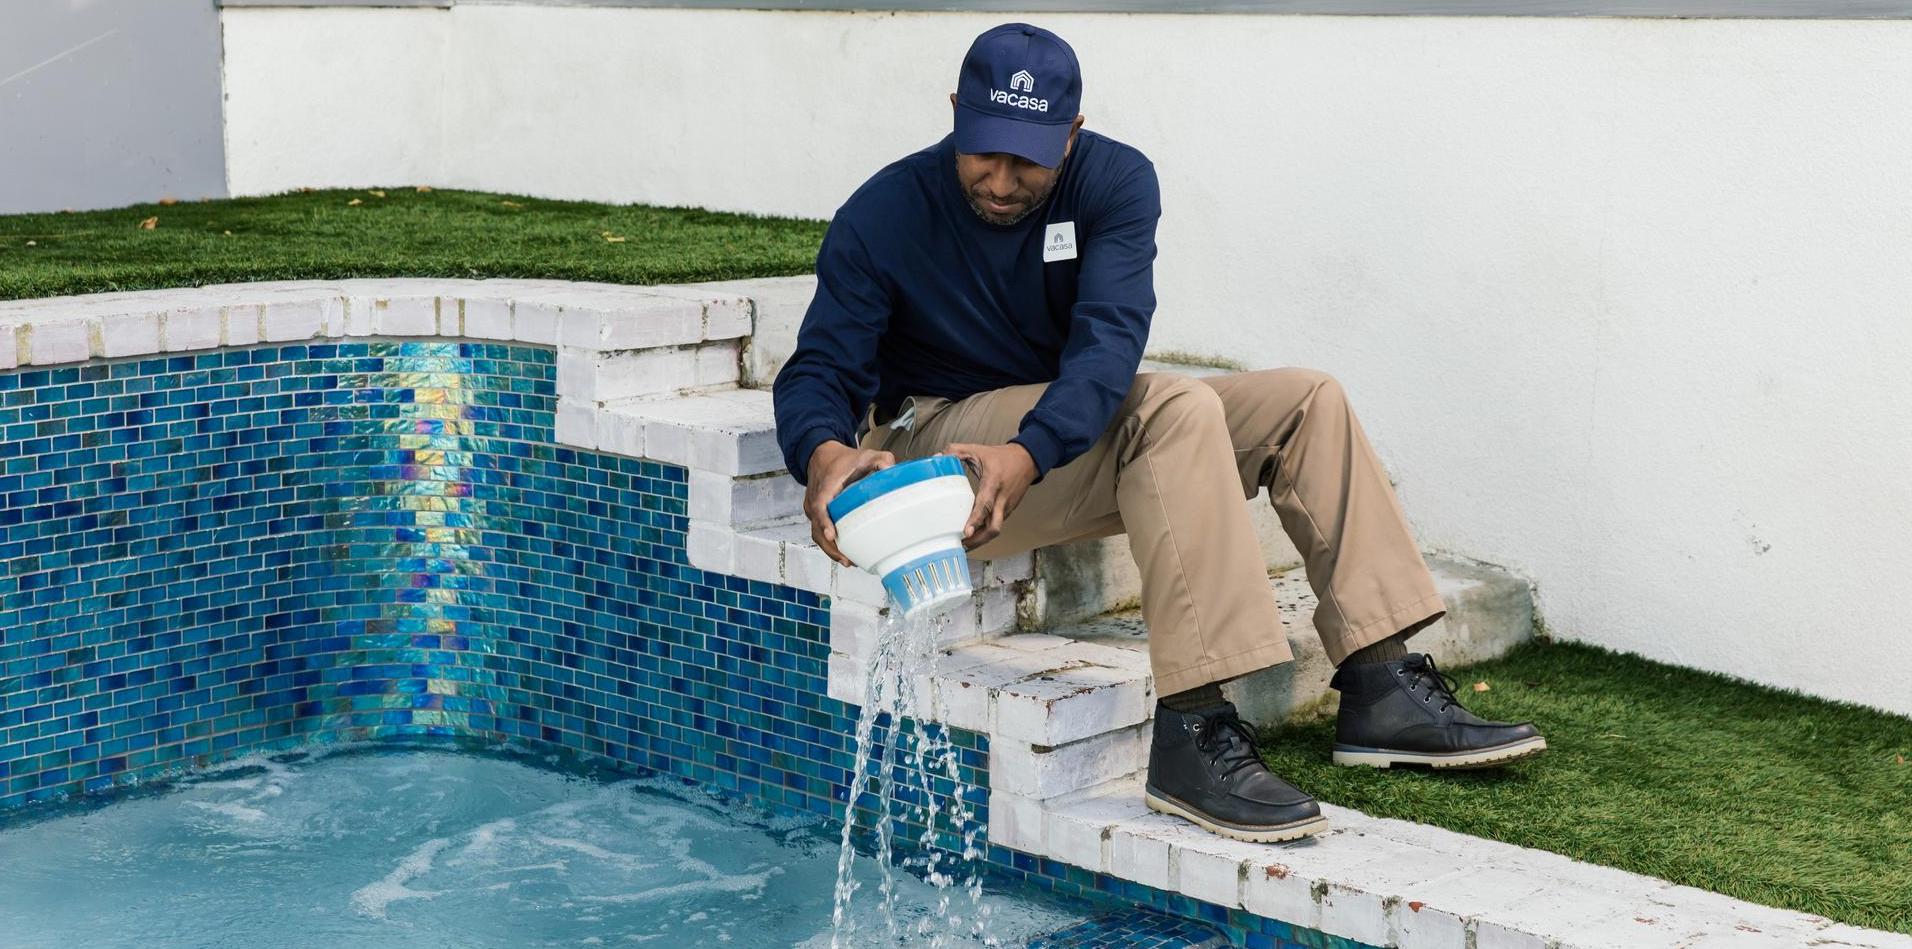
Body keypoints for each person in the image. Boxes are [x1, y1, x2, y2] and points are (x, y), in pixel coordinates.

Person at [772, 22, 1546, 845]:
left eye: (1028, 159)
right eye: (984, 152)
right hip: (946, 453)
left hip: (1042, 446)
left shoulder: (1115, 181)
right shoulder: (884, 213)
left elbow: (1110, 343)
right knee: (1173, 410)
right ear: (957, 114)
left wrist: (1033, 448)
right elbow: (818, 367)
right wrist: (823, 451)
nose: (1001, 180)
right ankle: (1191, 729)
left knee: (1307, 400)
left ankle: (1381, 680)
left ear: (1071, 135)